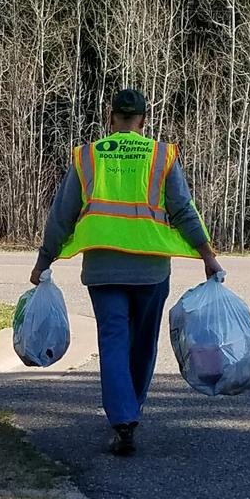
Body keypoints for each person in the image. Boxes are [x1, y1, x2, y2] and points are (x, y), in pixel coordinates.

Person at [31, 88, 223, 455]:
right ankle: (130, 411)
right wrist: (207, 255)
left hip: (103, 269)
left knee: (113, 341)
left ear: (111, 117)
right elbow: (183, 210)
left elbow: (62, 214)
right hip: (151, 269)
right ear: (144, 121)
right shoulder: (159, 155)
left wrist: (44, 261)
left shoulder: (89, 156)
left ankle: (122, 419)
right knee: (142, 343)